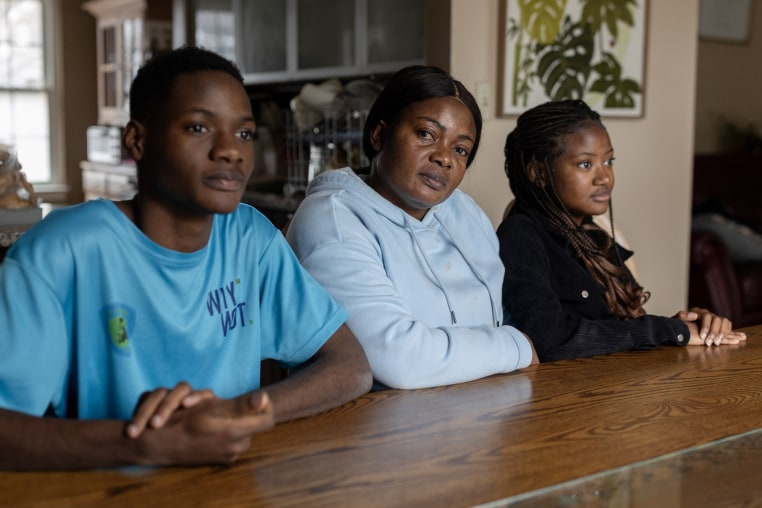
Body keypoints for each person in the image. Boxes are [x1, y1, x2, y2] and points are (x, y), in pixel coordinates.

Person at [0, 46, 372, 470]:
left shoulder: (252, 238)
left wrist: (241, 412)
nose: (231, 150)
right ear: (137, 140)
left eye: (245, 133)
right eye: (199, 127)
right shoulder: (62, 250)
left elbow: (350, 365)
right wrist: (146, 445)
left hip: (229, 487)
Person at [286, 65, 538, 390]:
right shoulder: (332, 218)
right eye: (426, 134)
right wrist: (515, 347)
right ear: (380, 135)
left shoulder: (464, 211)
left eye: (460, 149)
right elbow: (398, 359)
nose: (444, 158)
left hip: (475, 410)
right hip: (367, 426)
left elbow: (501, 315)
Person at [497, 99, 747, 362]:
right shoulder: (519, 237)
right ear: (538, 173)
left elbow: (622, 327)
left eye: (609, 161)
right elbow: (548, 339)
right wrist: (669, 330)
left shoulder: (594, 235)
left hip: (619, 385)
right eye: (585, 164)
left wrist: (688, 325)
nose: (604, 177)